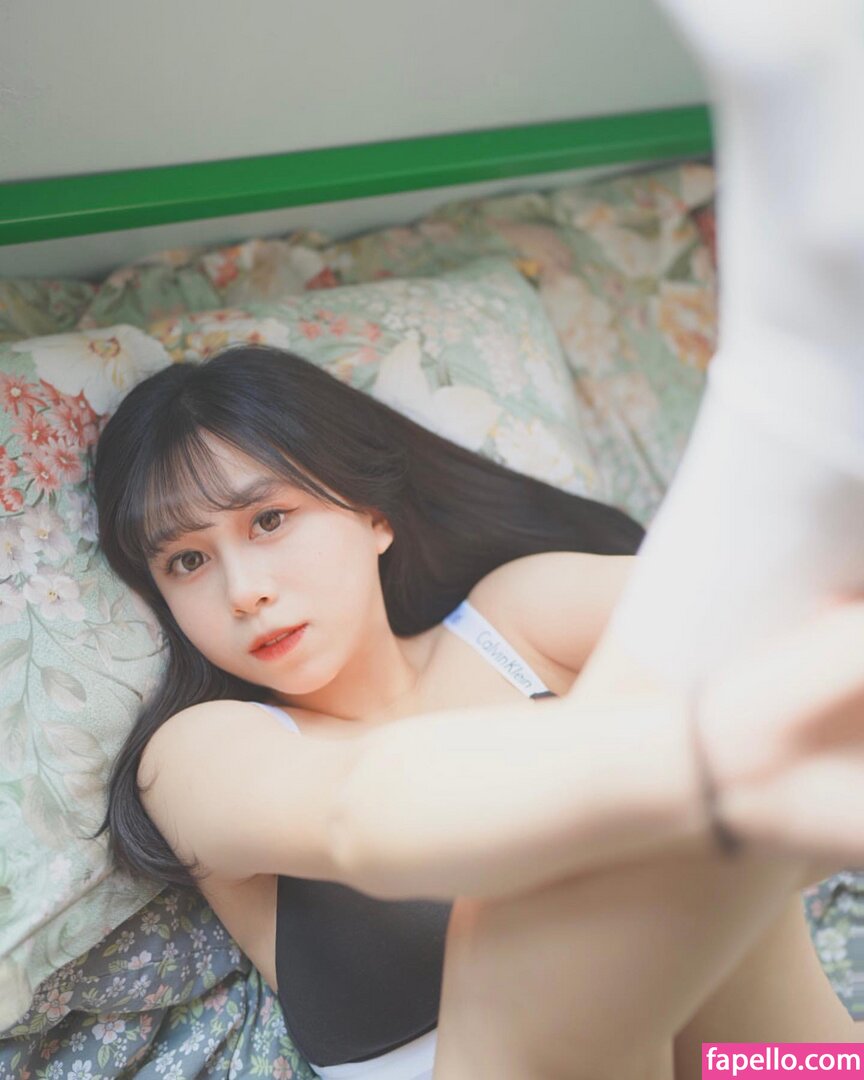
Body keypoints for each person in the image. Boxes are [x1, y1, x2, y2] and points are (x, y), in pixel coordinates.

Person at [93, 345, 862, 1080]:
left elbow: (760, 625)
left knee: (752, 693)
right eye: (187, 561)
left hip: (750, 1063)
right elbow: (356, 811)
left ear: (372, 515)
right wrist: (705, 769)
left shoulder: (512, 621)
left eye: (269, 519)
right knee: (609, 865)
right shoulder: (198, 754)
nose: (243, 591)